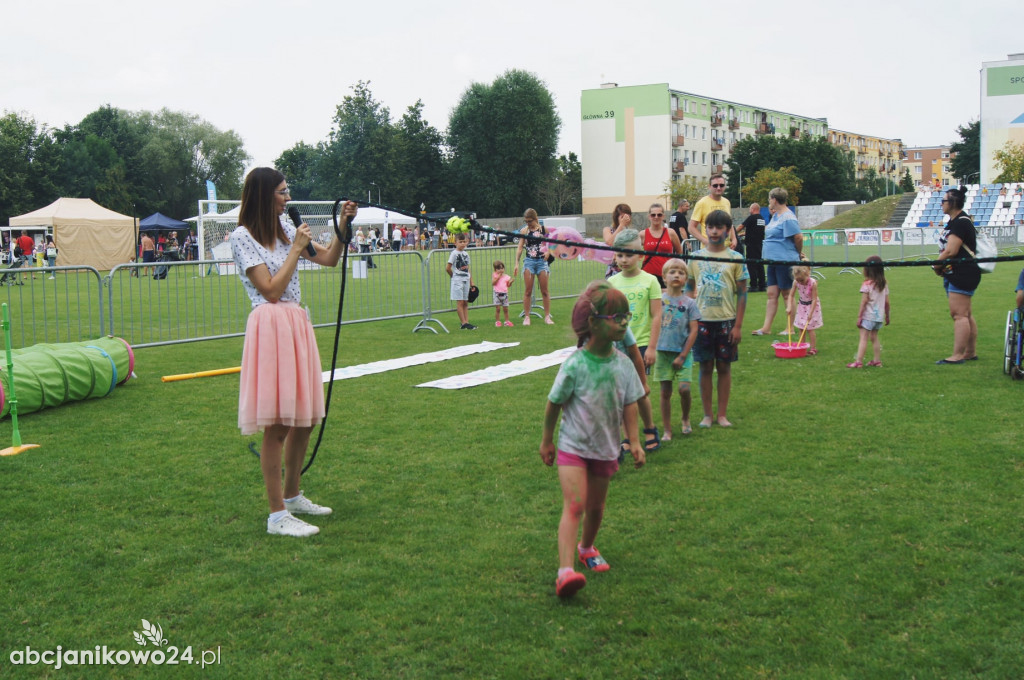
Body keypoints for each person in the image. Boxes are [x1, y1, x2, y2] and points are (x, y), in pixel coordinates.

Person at [229, 167, 356, 537]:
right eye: (283, 192)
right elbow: (270, 289)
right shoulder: (241, 237)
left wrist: (343, 224)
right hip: (270, 327)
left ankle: (293, 495)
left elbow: (331, 259)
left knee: (304, 417)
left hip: (296, 324)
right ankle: (276, 515)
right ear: (264, 196)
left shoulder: (286, 233)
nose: (288, 198)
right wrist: (296, 250)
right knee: (279, 423)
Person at [540, 281, 645, 598]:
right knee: (575, 505)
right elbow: (554, 404)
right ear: (593, 322)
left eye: (626, 315)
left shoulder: (623, 365)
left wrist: (635, 441)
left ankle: (586, 547)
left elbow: (630, 404)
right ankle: (565, 572)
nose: (624, 323)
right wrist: (547, 440)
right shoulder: (574, 365)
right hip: (573, 447)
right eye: (616, 317)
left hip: (606, 447)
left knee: (596, 508)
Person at [685, 210, 748, 428]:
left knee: (724, 367)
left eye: (719, 227)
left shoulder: (736, 259)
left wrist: (738, 326)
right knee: (704, 367)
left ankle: (722, 414)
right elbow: (688, 289)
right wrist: (688, 320)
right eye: (710, 227)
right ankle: (707, 415)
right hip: (701, 322)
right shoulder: (694, 258)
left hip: (726, 322)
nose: (713, 231)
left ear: (728, 230)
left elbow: (742, 293)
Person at [608, 229, 662, 453]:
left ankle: (649, 427)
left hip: (641, 344)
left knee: (640, 392)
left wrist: (651, 347)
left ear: (640, 255)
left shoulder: (650, 281)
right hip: (617, 347)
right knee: (621, 395)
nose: (623, 260)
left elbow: (657, 315)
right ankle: (628, 436)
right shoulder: (611, 282)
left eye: (628, 255)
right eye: (619, 255)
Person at [932, 185, 980, 364]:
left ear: (952, 202)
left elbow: (951, 250)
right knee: (965, 314)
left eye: (943, 201)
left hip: (962, 272)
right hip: (958, 272)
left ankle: (958, 355)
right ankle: (970, 352)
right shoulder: (956, 221)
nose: (941, 204)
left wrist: (936, 265)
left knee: (959, 315)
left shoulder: (960, 222)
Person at [654, 259, 700, 440]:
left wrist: (682, 355)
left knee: (684, 389)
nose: (676, 275)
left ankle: (685, 418)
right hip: (661, 352)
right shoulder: (658, 301)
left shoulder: (689, 303)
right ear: (664, 277)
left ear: (686, 279)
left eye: (681, 273)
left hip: (683, 353)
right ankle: (667, 429)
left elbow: (694, 330)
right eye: (672, 272)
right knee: (665, 392)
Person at [751, 188, 804, 336]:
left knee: (787, 294)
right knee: (771, 293)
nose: (768, 202)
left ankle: (790, 328)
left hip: (785, 260)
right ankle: (766, 328)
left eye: (769, 199)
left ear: (774, 199)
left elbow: (798, 237)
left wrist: (798, 254)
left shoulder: (788, 217)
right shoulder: (776, 216)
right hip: (773, 261)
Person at [847, 255, 890, 368]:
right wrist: (887, 316)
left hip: (868, 316)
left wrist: (859, 316)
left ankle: (858, 361)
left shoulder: (867, 284)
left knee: (864, 338)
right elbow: (887, 303)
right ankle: (877, 360)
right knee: (874, 337)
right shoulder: (884, 283)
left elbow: (864, 302)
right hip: (878, 317)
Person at [513, 208, 553, 325]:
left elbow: (551, 243)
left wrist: (548, 252)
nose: (528, 223)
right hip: (529, 261)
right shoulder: (524, 231)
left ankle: (547, 316)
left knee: (545, 291)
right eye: (526, 221)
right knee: (528, 291)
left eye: (530, 221)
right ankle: (527, 316)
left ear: (535, 219)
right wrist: (516, 263)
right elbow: (520, 247)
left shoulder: (543, 230)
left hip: (542, 262)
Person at [688, 174, 738, 249]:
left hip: (726, 249)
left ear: (725, 186)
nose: (718, 188)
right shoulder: (702, 203)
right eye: (715, 185)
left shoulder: (726, 202)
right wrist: (706, 241)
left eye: (721, 185)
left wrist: (734, 239)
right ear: (709, 186)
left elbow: (729, 224)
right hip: (709, 250)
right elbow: (691, 227)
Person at [640, 203, 682, 288]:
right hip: (648, 275)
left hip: (667, 276)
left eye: (659, 215)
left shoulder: (671, 232)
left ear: (663, 216)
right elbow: (632, 252)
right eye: (653, 215)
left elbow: (679, 252)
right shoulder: (642, 234)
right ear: (649, 216)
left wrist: (675, 268)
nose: (656, 217)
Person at [785, 265, 823, 355]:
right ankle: (802, 346)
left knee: (809, 328)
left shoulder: (813, 283)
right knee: (801, 327)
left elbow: (814, 299)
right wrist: (789, 306)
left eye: (802, 280)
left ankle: (813, 348)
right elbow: (791, 295)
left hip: (812, 306)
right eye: (798, 280)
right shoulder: (796, 282)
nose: (800, 283)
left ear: (807, 274)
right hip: (802, 305)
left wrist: (811, 313)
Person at [447, 232, 476, 330]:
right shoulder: (454, 253)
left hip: (466, 279)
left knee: (465, 302)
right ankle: (463, 323)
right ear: (455, 243)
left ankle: (467, 321)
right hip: (457, 280)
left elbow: (468, 268)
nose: (463, 244)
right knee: (460, 302)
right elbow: (448, 268)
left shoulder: (466, 254)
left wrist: (472, 282)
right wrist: (453, 276)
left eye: (464, 242)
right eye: (460, 242)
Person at [602, 203, 632, 278]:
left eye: (628, 216)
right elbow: (609, 242)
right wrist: (621, 225)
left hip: (628, 270)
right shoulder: (608, 230)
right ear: (617, 217)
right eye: (622, 217)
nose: (626, 219)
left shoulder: (631, 233)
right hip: (613, 271)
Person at [742, 203, 766, 292]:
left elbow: (741, 226)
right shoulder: (762, 219)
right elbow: (755, 230)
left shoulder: (751, 218)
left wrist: (733, 233)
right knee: (760, 264)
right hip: (760, 245)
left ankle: (753, 285)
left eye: (750, 209)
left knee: (751, 265)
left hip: (751, 245)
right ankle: (762, 285)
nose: (749, 210)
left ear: (753, 209)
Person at [491, 260, 515, 327]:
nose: (501, 270)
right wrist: (498, 278)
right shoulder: (494, 275)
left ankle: (507, 321)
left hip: (505, 294)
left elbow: (508, 285)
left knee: (505, 309)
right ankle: (497, 321)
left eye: (502, 268)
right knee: (498, 309)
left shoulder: (506, 276)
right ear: (495, 269)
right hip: (497, 294)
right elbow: (493, 283)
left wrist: (511, 282)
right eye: (498, 268)